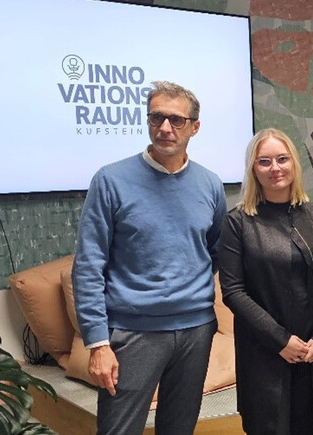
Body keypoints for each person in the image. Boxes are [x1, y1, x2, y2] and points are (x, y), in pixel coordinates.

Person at [72, 81, 227, 435]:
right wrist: (97, 344)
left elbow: (214, 252)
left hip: (196, 330)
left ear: (195, 127)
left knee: (179, 429)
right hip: (132, 332)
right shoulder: (111, 180)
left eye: (176, 120)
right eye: (157, 117)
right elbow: (88, 266)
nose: (165, 128)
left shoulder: (210, 184)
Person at [219, 128, 313, 434]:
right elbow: (233, 292)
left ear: (294, 164)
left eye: (282, 159)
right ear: (253, 169)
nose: (275, 168)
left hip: (311, 351)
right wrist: (280, 340)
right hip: (264, 352)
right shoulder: (237, 223)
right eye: (265, 161)